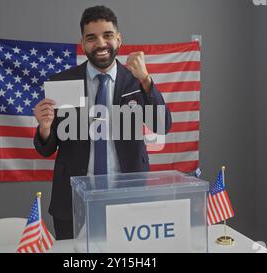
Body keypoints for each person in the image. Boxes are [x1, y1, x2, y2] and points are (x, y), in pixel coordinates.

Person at [33, 5, 172, 240]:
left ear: (118, 38)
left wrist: (146, 81)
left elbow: (161, 126)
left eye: (107, 35)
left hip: (129, 195)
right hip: (73, 197)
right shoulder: (64, 81)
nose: (100, 44)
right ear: (83, 42)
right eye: (91, 37)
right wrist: (45, 127)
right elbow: (47, 148)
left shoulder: (136, 81)